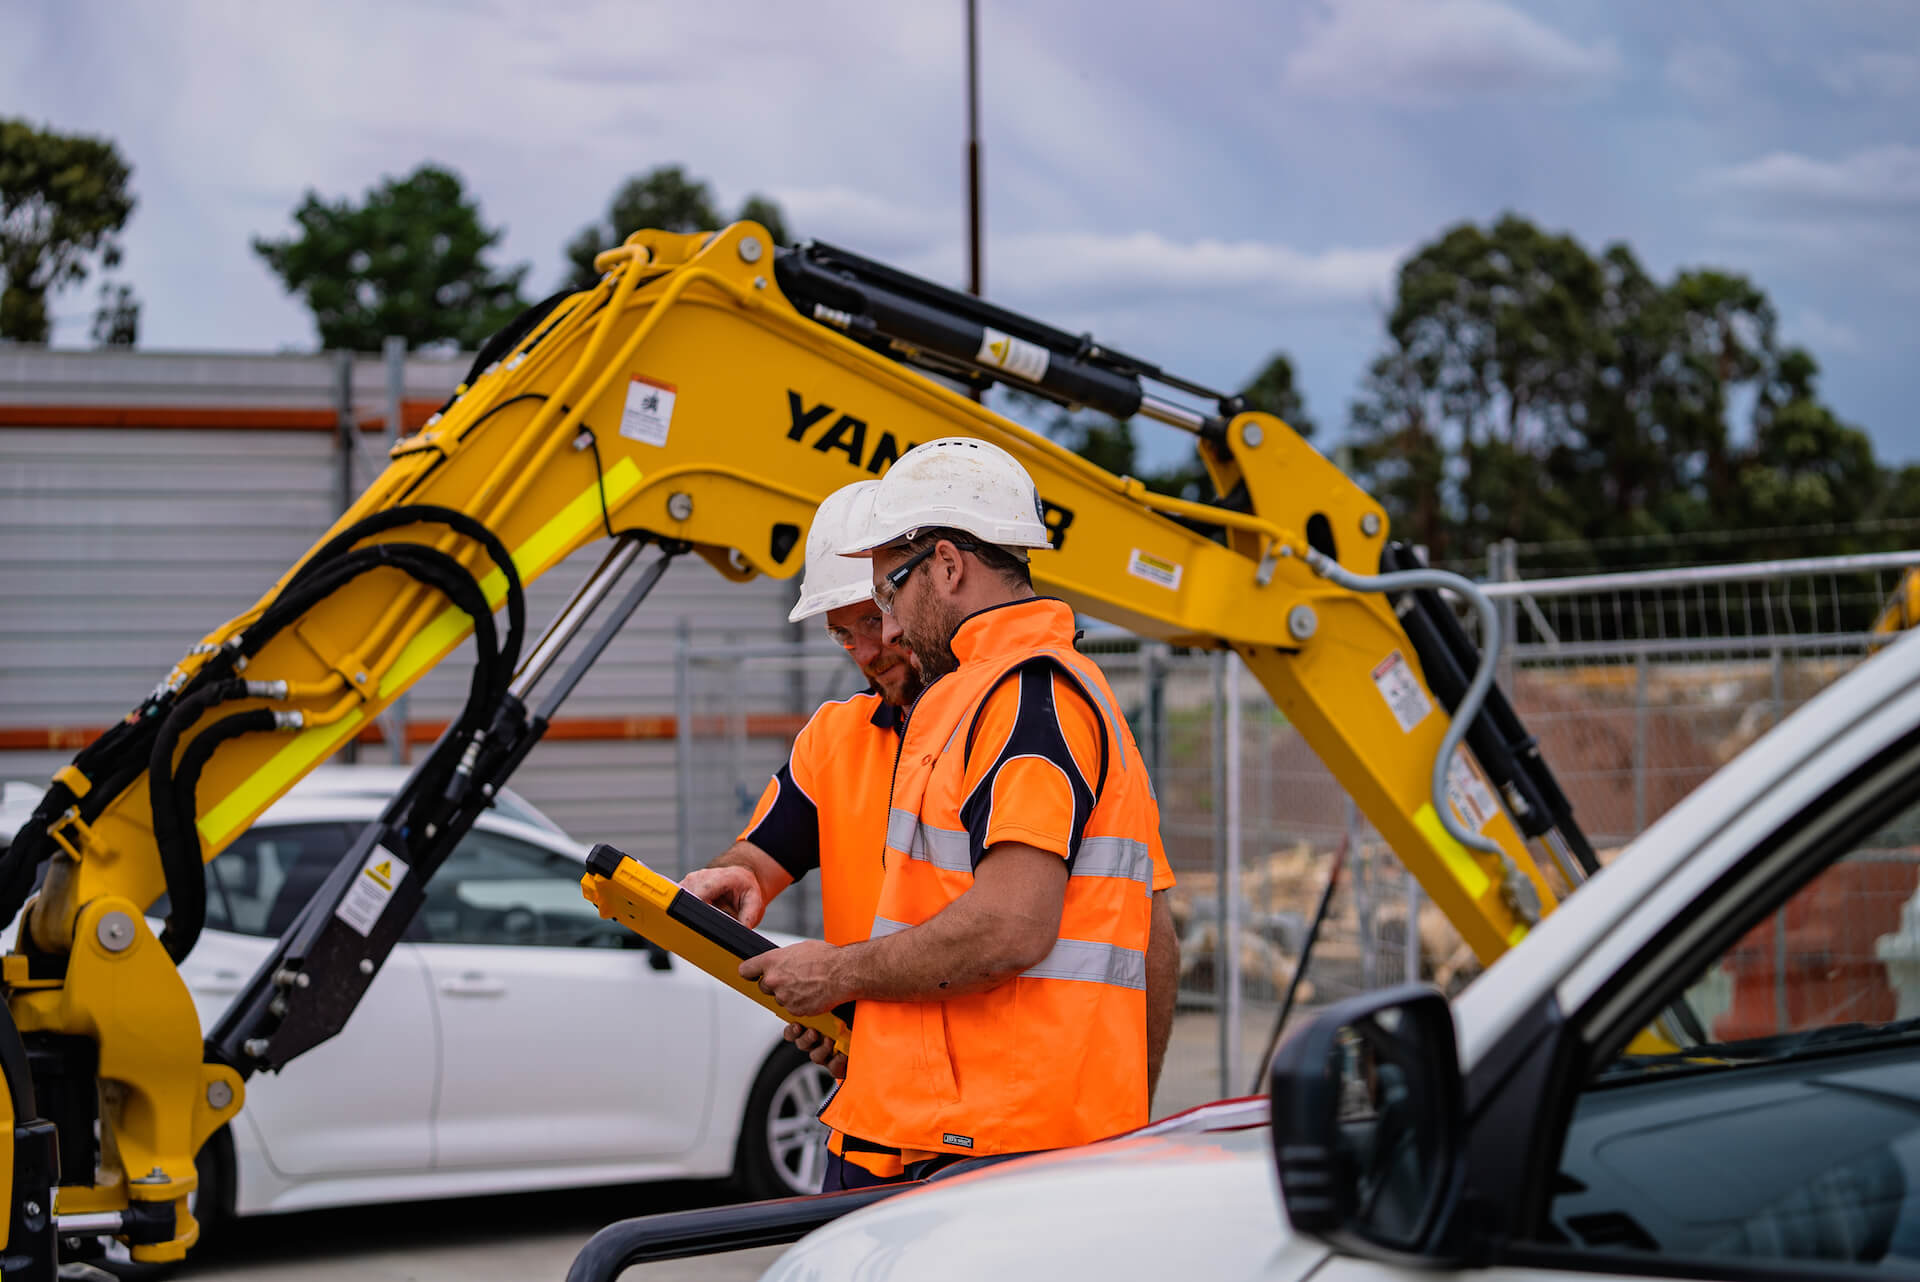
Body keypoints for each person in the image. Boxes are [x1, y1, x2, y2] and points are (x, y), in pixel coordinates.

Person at [741, 437, 1178, 1188]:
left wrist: (839, 975)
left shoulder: (1025, 698)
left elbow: (1010, 926)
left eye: (889, 596)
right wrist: (862, 1019)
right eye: (856, 622)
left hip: (997, 1147)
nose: (890, 632)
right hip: (934, 1132)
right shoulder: (977, 702)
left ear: (947, 566)